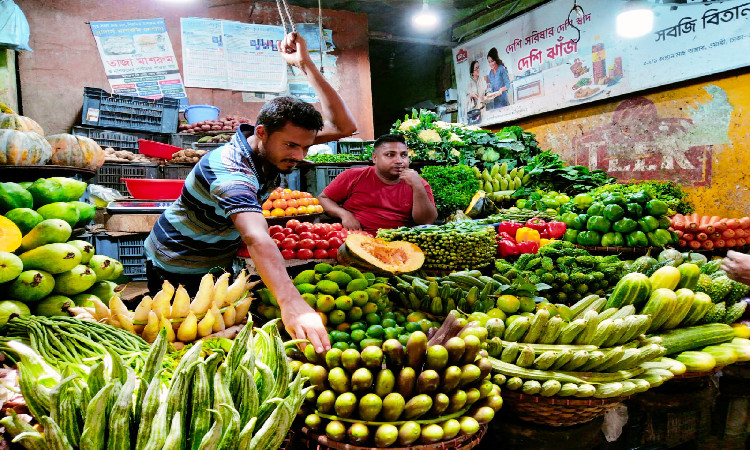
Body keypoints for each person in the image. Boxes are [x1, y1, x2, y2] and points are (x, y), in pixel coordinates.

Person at [144, 32, 357, 354]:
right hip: (177, 261)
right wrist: (291, 302)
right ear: (262, 133)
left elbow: (344, 127)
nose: (300, 156)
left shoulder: (276, 145)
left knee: (229, 334)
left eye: (304, 145)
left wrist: (306, 64)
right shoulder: (230, 171)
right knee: (186, 347)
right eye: (291, 146)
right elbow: (257, 238)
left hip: (219, 258)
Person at [318, 134, 438, 234]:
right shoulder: (353, 176)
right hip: (356, 240)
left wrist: (417, 187)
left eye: (404, 155)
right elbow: (323, 198)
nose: (399, 161)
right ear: (375, 158)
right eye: (390, 155)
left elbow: (426, 221)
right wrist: (344, 214)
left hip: (400, 243)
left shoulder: (419, 183)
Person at [465, 60, 486, 125]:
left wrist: (488, 93)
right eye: (476, 68)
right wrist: (471, 95)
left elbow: (486, 90)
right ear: (472, 71)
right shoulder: (468, 81)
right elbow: (465, 96)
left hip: (482, 108)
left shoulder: (481, 79)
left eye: (478, 68)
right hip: (473, 111)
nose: (478, 70)